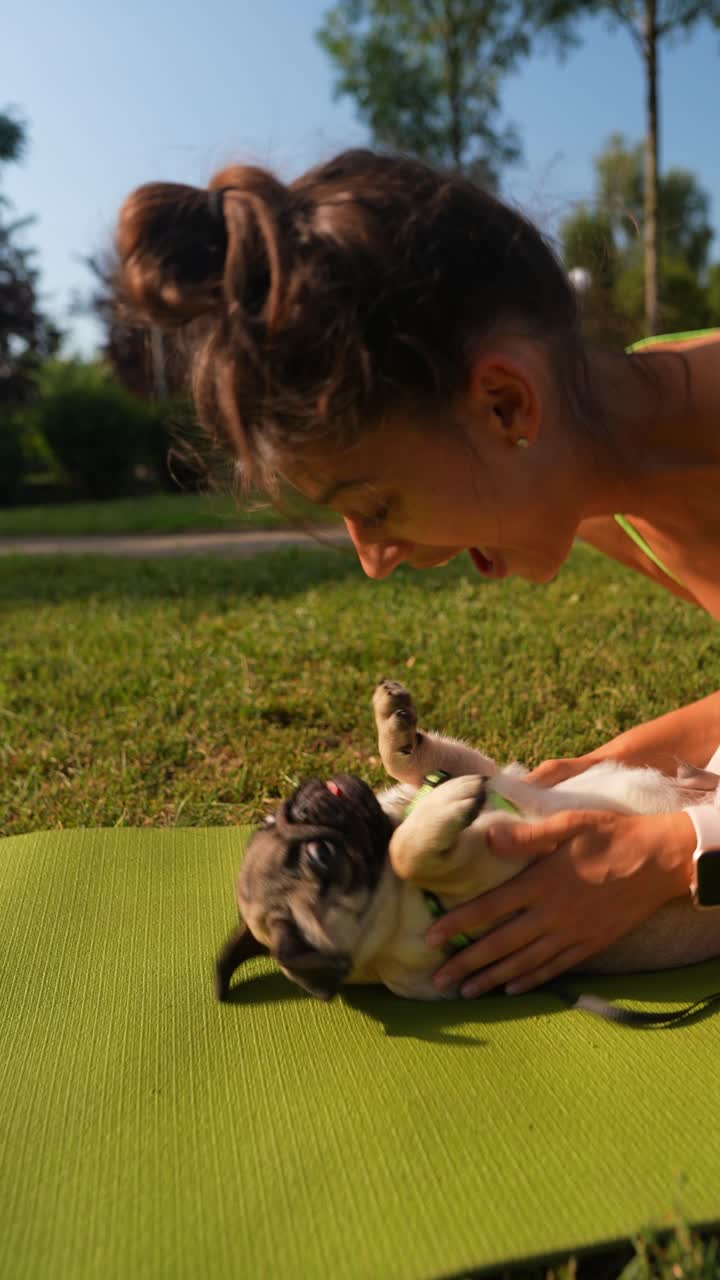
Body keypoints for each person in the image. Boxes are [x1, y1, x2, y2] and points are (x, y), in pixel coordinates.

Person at [116, 148, 720, 998]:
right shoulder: (611, 494)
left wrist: (667, 856)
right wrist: (579, 774)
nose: (375, 560)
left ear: (505, 405)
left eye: (377, 505)